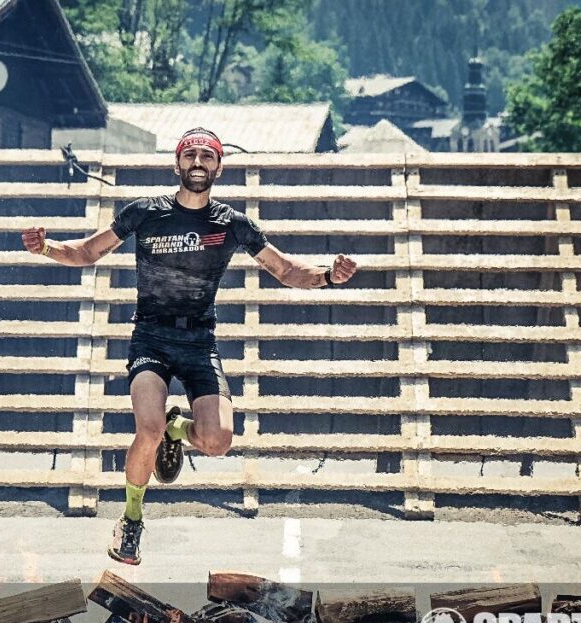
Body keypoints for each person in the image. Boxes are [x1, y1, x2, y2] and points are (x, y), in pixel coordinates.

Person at [21, 128, 356, 565]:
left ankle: (177, 429)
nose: (198, 162)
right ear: (177, 164)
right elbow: (86, 253)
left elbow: (286, 270)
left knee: (218, 442)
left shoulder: (232, 224)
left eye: (207, 156)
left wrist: (329, 276)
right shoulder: (145, 212)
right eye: (190, 155)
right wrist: (45, 246)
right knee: (147, 428)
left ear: (218, 167)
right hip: (152, 338)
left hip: (199, 341)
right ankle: (132, 522)